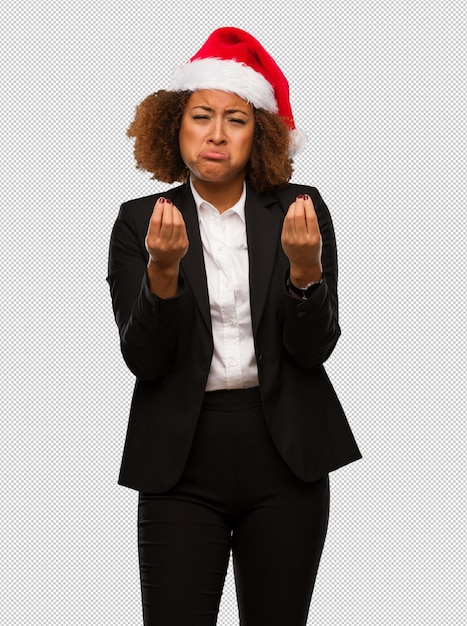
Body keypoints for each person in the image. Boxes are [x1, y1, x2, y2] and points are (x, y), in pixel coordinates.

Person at [107, 26, 361, 626]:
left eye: (236, 120)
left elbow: (315, 346)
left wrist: (305, 271)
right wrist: (162, 273)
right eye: (201, 116)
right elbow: (144, 358)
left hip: (285, 456)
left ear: (262, 136)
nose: (216, 135)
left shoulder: (301, 209)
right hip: (181, 461)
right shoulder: (139, 221)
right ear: (175, 125)